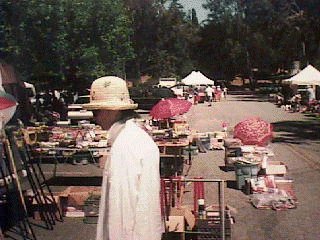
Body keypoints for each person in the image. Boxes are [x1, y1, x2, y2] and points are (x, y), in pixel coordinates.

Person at [83, 76, 163, 240]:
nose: (94, 118)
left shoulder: (124, 147)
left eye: (95, 111)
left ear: (112, 111)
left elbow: (121, 213)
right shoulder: (136, 138)